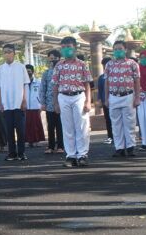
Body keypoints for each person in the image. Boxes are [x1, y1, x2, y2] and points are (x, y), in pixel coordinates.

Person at [52, 36, 93, 167]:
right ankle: (71, 156)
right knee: (67, 127)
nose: (66, 50)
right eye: (63, 48)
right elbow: (55, 86)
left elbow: (87, 84)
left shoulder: (82, 64)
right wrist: (56, 103)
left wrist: (88, 102)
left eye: (68, 47)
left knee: (81, 126)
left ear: (75, 47)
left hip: (79, 96)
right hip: (63, 96)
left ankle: (82, 155)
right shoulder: (58, 65)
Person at [104, 40, 141, 157]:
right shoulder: (109, 64)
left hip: (128, 96)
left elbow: (137, 81)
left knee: (129, 123)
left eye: (120, 49)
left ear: (125, 50)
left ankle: (130, 147)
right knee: (116, 124)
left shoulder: (132, 64)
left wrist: (137, 97)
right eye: (115, 49)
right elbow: (106, 82)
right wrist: (106, 98)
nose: (117, 51)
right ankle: (119, 147)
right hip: (113, 96)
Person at [0, 43, 30, 162]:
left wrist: (24, 100)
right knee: (9, 130)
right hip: (6, 104)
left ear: (14, 53)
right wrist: (0, 102)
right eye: (5, 52)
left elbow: (25, 84)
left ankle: (21, 153)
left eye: (9, 51)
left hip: (18, 103)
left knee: (20, 130)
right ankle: (11, 153)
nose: (7, 54)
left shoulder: (21, 67)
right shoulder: (0, 69)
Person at [40, 50, 65, 155]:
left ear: (59, 58)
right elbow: (43, 88)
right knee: (50, 126)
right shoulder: (46, 73)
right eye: (51, 58)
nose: (53, 60)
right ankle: (50, 147)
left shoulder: (63, 71)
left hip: (62, 102)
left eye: (55, 58)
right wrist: (43, 102)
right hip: (50, 103)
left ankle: (61, 146)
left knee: (60, 125)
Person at [24, 64, 45, 147]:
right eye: (26, 71)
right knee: (26, 125)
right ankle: (28, 141)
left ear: (32, 72)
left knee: (36, 124)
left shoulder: (38, 82)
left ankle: (36, 140)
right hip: (25, 106)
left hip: (36, 106)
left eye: (29, 71)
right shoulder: (22, 83)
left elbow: (42, 93)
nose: (27, 73)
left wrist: (41, 104)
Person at [95, 57, 114, 145]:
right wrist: (100, 102)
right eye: (103, 65)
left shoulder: (115, 76)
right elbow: (100, 90)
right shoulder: (101, 78)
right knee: (108, 119)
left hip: (115, 100)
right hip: (105, 102)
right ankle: (110, 136)